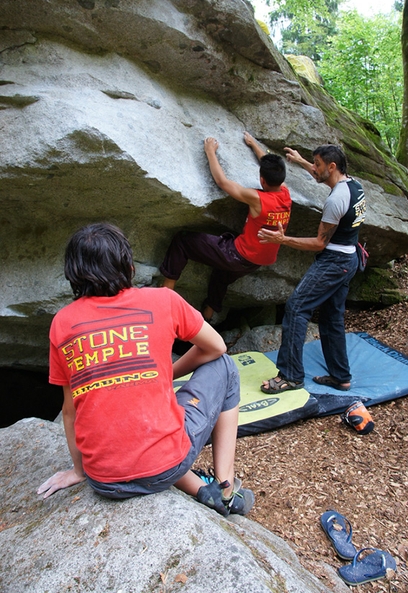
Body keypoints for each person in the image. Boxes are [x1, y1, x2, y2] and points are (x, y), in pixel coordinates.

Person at [37, 222, 254, 517]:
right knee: (226, 367)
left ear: (74, 273)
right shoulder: (161, 300)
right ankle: (226, 490)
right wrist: (170, 372)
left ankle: (203, 491)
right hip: (164, 467)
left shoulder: (62, 323)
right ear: (129, 264)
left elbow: (69, 409)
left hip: (103, 480)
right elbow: (217, 347)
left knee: (139, 419)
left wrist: (79, 471)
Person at [258, 144, 366, 393]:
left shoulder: (337, 199)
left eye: (317, 164)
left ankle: (291, 376)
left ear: (332, 167)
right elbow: (323, 176)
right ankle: (341, 376)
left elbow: (319, 242)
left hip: (334, 262)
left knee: (296, 308)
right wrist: (299, 161)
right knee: (331, 318)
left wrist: (282, 240)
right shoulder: (354, 185)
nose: (314, 168)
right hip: (349, 259)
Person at [160, 132, 292, 321]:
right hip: (256, 262)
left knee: (183, 241)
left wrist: (210, 151)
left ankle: (166, 295)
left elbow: (222, 182)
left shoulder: (258, 199)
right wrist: (253, 145)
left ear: (262, 180)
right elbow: (271, 167)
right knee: (221, 275)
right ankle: (208, 317)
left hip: (237, 255)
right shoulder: (286, 194)